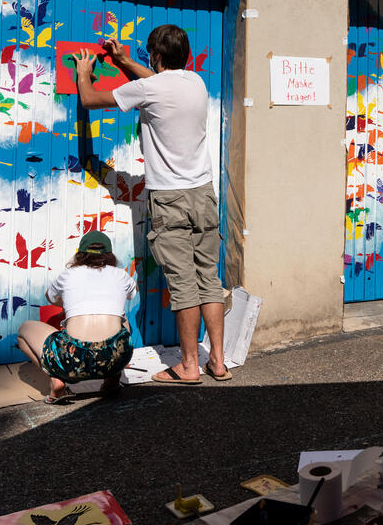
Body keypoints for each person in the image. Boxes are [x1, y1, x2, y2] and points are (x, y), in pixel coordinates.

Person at [72, 24, 229, 384]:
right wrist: (124, 60)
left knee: (184, 285)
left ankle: (189, 366)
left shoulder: (151, 88)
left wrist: (84, 74)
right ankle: (218, 362)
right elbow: (158, 84)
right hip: (203, 193)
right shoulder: (195, 83)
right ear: (184, 55)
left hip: (170, 198)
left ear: (156, 57)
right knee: (208, 277)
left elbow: (91, 100)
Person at [17, 231, 137, 403]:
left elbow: (49, 296)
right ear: (109, 255)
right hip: (115, 358)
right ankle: (112, 381)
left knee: (23, 331)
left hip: (71, 359)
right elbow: (133, 293)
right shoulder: (121, 274)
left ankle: (56, 380)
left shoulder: (68, 275)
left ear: (80, 254)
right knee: (122, 319)